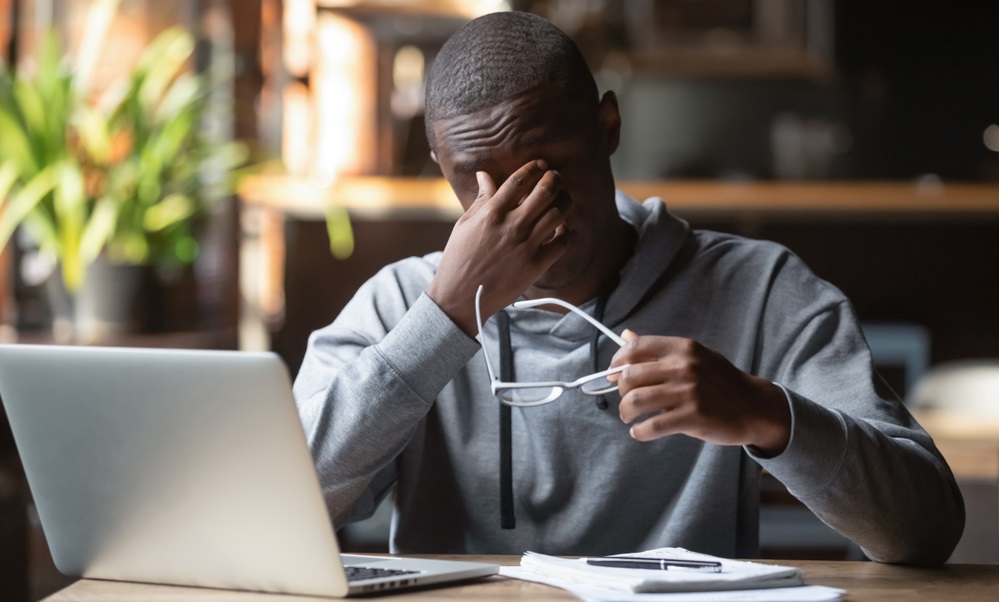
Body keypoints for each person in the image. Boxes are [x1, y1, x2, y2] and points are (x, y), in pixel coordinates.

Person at [293, 11, 964, 564]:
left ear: (607, 128)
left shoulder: (758, 290)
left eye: (548, 169)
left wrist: (768, 415)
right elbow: (288, 507)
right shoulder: (398, 304)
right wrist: (442, 320)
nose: (524, 211)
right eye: (478, 182)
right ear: (439, 166)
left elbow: (925, 530)